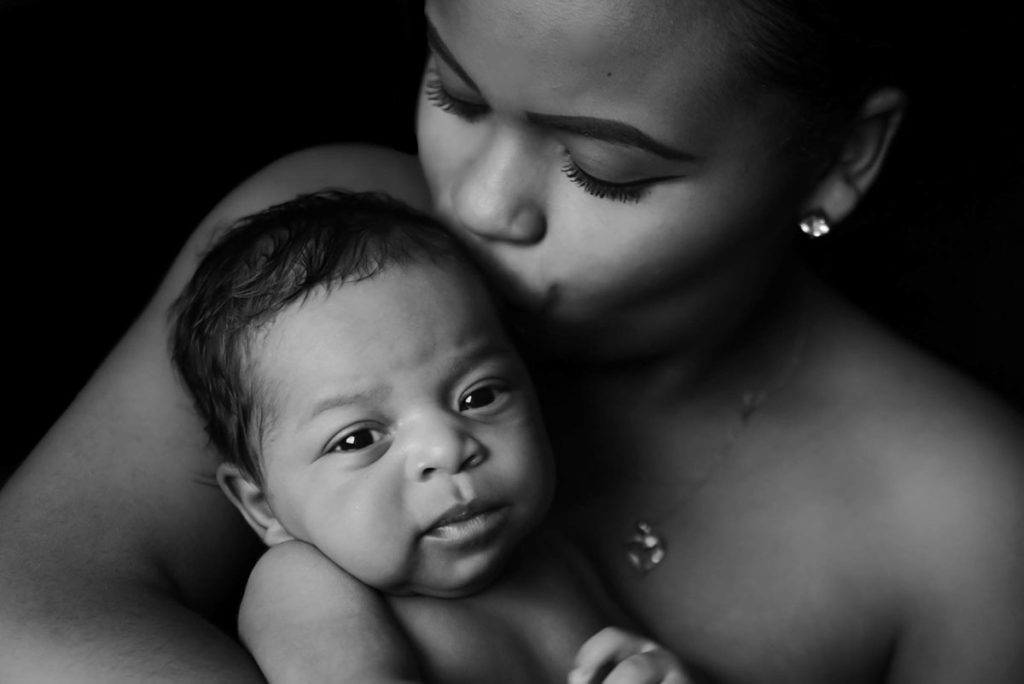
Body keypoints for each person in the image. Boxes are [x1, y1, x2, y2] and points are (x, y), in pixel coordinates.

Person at [2, 1, 1022, 682]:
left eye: (603, 172)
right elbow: (24, 605)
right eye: (453, 92)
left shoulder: (966, 519)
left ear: (842, 155)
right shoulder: (307, 267)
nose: (481, 204)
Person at [168, 188, 686, 683]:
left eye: (479, 396)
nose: (446, 448)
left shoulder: (555, 556)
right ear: (264, 507)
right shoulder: (305, 583)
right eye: (357, 439)